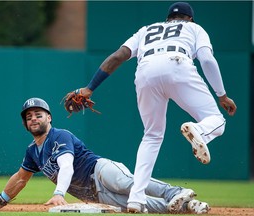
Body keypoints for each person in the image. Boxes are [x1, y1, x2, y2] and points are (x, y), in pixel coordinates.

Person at [64, 1, 237, 213]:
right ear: (189, 18)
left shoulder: (146, 30)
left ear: (168, 19)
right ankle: (199, 129)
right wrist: (222, 95)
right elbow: (207, 60)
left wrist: (90, 88)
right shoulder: (194, 28)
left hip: (145, 72)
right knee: (217, 121)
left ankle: (136, 200)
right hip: (177, 63)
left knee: (152, 135)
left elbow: (118, 56)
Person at [0, 97, 210, 214]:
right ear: (26, 124)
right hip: (94, 194)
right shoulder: (32, 152)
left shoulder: (60, 135)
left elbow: (66, 165)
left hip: (99, 170)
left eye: (38, 114)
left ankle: (176, 192)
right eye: (29, 117)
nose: (33, 119)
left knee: (130, 183)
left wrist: (58, 193)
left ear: (49, 118)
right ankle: (188, 207)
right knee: (138, 206)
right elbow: (20, 178)